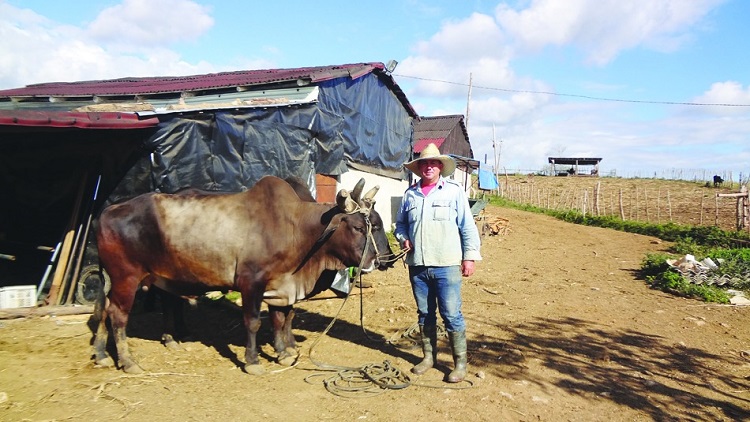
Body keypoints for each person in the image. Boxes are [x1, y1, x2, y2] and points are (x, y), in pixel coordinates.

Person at [394, 143, 482, 383]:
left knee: (451, 314)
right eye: (424, 163)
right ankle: (429, 357)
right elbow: (400, 225)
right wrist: (403, 238)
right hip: (418, 265)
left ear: (441, 167)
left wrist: (469, 257)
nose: (428, 167)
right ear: (419, 168)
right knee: (425, 314)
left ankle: (459, 364)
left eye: (433, 163)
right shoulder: (409, 194)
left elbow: (467, 226)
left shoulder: (453, 192)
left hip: (447, 265)